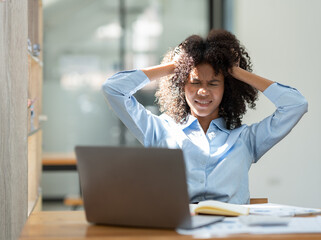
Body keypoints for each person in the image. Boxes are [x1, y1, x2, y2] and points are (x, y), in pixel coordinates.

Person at [102, 29, 308, 204]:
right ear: (181, 85)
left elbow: (295, 104)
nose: (203, 91)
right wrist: (175, 67)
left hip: (231, 231)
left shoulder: (246, 139)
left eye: (213, 83)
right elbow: (113, 89)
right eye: (195, 82)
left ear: (226, 88)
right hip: (177, 229)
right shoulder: (159, 130)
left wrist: (236, 72)